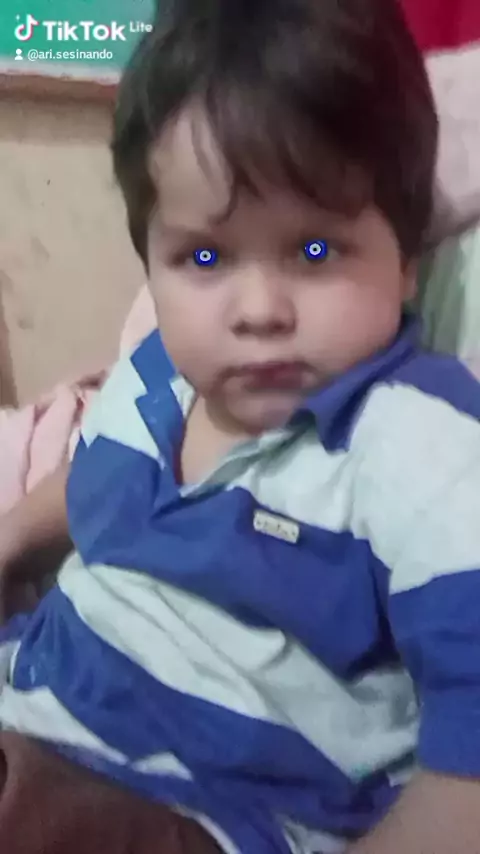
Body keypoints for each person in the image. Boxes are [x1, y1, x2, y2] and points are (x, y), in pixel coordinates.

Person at [2, 0, 480, 852]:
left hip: (192, 808)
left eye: (315, 251)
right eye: (205, 256)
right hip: (34, 700)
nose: (259, 310)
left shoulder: (416, 443)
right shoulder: (159, 371)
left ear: (407, 260)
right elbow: (95, 485)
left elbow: (468, 760)